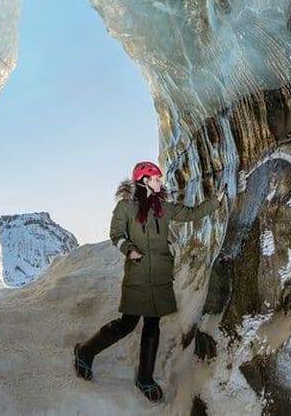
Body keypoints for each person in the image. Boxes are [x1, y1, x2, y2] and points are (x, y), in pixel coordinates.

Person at [73, 161, 227, 402]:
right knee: (127, 323)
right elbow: (116, 234)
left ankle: (145, 377)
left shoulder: (163, 207)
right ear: (144, 180)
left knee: (152, 325)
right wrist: (129, 250)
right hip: (138, 274)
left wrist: (214, 201)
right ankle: (85, 350)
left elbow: (190, 214)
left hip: (160, 276)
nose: (160, 182)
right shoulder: (125, 207)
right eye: (156, 178)